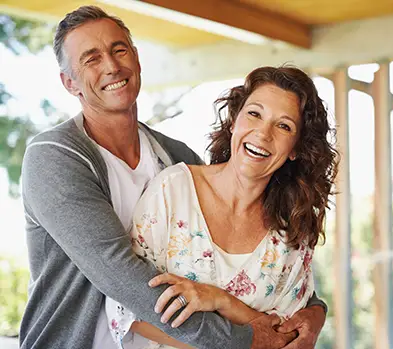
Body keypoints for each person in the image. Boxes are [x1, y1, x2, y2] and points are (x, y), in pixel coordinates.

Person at [19, 5, 329, 349]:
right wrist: (243, 338)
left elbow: (254, 271)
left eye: (119, 49)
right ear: (69, 83)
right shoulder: (55, 157)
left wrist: (314, 313)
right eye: (91, 58)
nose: (111, 65)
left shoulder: (175, 158)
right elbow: (120, 274)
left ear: (136, 59)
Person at [104, 66, 339, 349]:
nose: (263, 134)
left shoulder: (291, 231)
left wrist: (220, 300)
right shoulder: (172, 193)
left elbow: (287, 338)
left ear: (295, 149)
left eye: (283, 126)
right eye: (254, 113)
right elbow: (126, 310)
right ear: (234, 121)